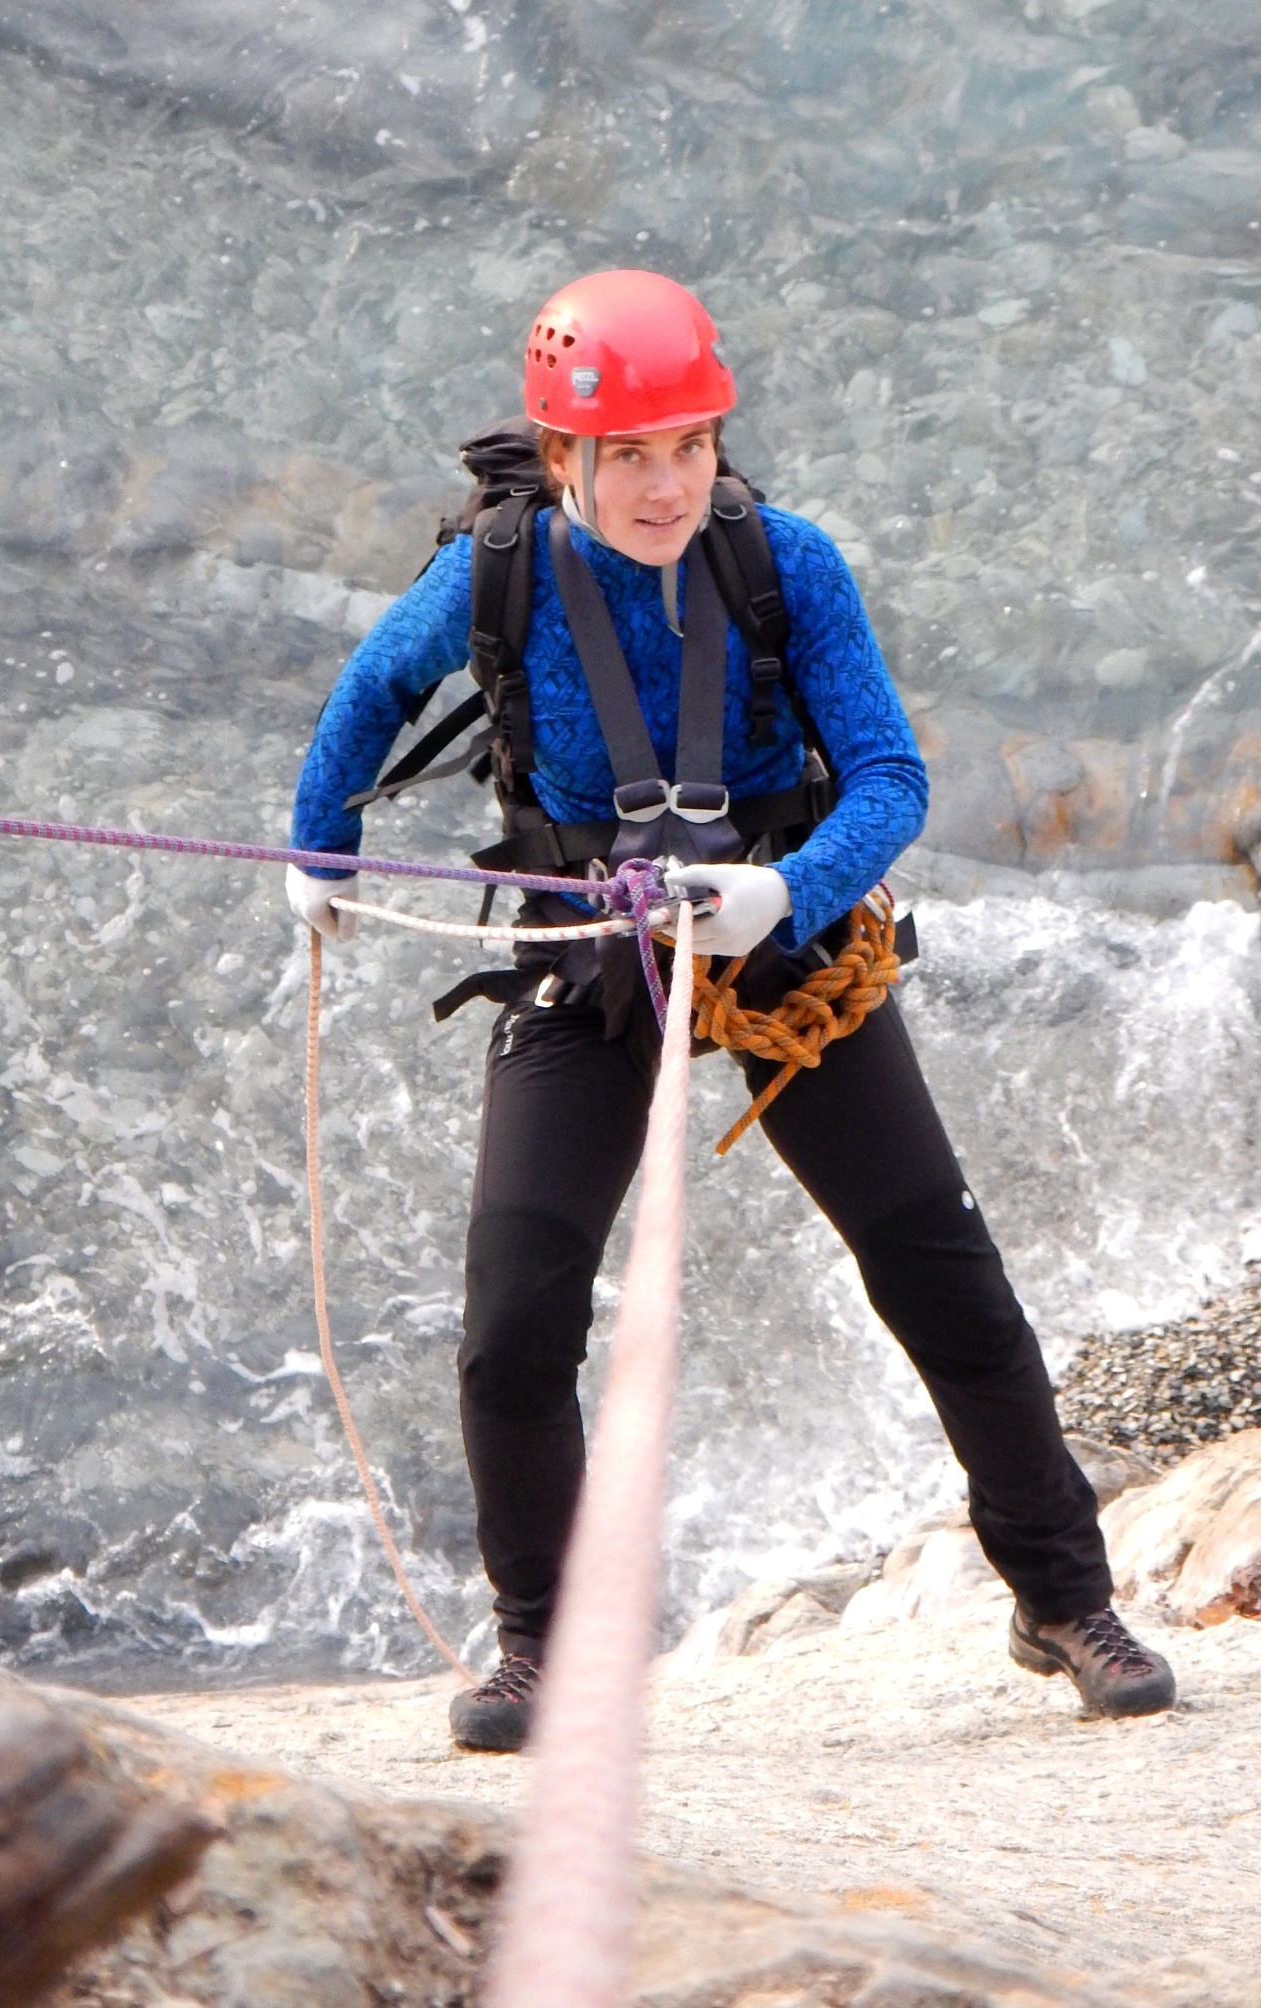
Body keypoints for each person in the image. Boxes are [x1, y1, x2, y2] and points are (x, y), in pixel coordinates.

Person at [286, 269, 1175, 1749]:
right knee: (512, 1322)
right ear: (563, 456)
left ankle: (1061, 1595)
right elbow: (371, 690)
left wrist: (786, 894)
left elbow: (889, 777)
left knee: (942, 1278)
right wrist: (320, 853)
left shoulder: (784, 563)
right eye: (628, 455)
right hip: (586, 950)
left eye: (688, 445)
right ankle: (543, 1647)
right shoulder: (493, 574)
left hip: (783, 958)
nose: (664, 484)